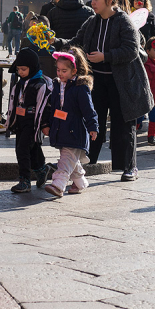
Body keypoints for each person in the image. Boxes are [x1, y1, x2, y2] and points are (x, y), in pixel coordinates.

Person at [55, 0, 153, 181]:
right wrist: (55, 41)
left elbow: (131, 50)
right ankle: (89, 163)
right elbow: (76, 43)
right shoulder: (91, 21)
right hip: (97, 82)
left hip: (122, 83)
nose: (92, 2)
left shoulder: (124, 21)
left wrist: (105, 56)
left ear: (109, 0)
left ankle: (129, 167)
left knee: (123, 125)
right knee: (94, 122)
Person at [40, 48, 99, 198]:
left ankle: (58, 185)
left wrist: (93, 127)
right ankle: (80, 182)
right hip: (60, 129)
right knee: (70, 159)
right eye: (58, 70)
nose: (60, 74)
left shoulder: (81, 88)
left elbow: (88, 110)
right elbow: (50, 107)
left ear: (74, 71)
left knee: (66, 159)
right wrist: (46, 124)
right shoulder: (56, 85)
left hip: (75, 130)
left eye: (64, 71)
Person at [5, 48, 54, 193]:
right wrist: (11, 121)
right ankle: (42, 170)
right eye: (19, 69)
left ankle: (24, 180)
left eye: (23, 69)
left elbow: (44, 107)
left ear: (32, 68)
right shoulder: (20, 83)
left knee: (22, 149)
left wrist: (43, 125)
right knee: (31, 149)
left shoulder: (40, 84)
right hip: (20, 121)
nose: (20, 72)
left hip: (33, 123)